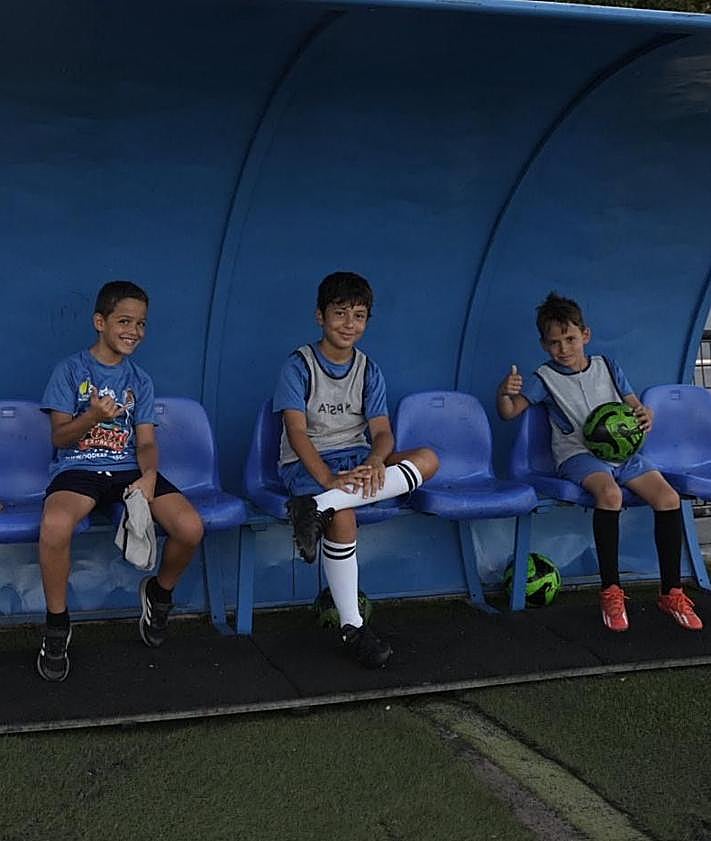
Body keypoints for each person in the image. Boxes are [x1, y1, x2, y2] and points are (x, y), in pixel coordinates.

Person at [496, 291, 702, 632]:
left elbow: (636, 407)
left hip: (624, 454)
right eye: (554, 343)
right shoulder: (543, 378)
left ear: (585, 335)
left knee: (668, 498)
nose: (563, 348)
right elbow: (509, 412)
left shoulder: (608, 366)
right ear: (544, 345)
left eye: (570, 339)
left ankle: (671, 592)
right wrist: (504, 393)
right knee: (610, 495)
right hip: (578, 456)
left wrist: (646, 416)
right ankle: (611, 591)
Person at [37, 280, 204, 681]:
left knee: (190, 527)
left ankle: (159, 594)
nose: (134, 331)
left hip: (128, 469)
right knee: (55, 525)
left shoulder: (139, 380)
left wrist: (149, 477)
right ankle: (57, 625)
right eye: (124, 321)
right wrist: (93, 416)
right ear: (100, 322)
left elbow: (145, 441)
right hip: (80, 467)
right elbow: (60, 438)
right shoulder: (70, 370)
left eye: (141, 323)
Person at [273, 271, 439, 668]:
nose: (349, 324)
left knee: (428, 459)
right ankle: (353, 627)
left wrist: (375, 461)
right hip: (308, 464)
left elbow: (382, 433)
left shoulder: (368, 369)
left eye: (359, 315)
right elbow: (296, 432)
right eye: (340, 313)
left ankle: (316, 507)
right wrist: (329, 480)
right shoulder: (298, 366)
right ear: (320, 316)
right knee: (343, 519)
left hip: (357, 458)